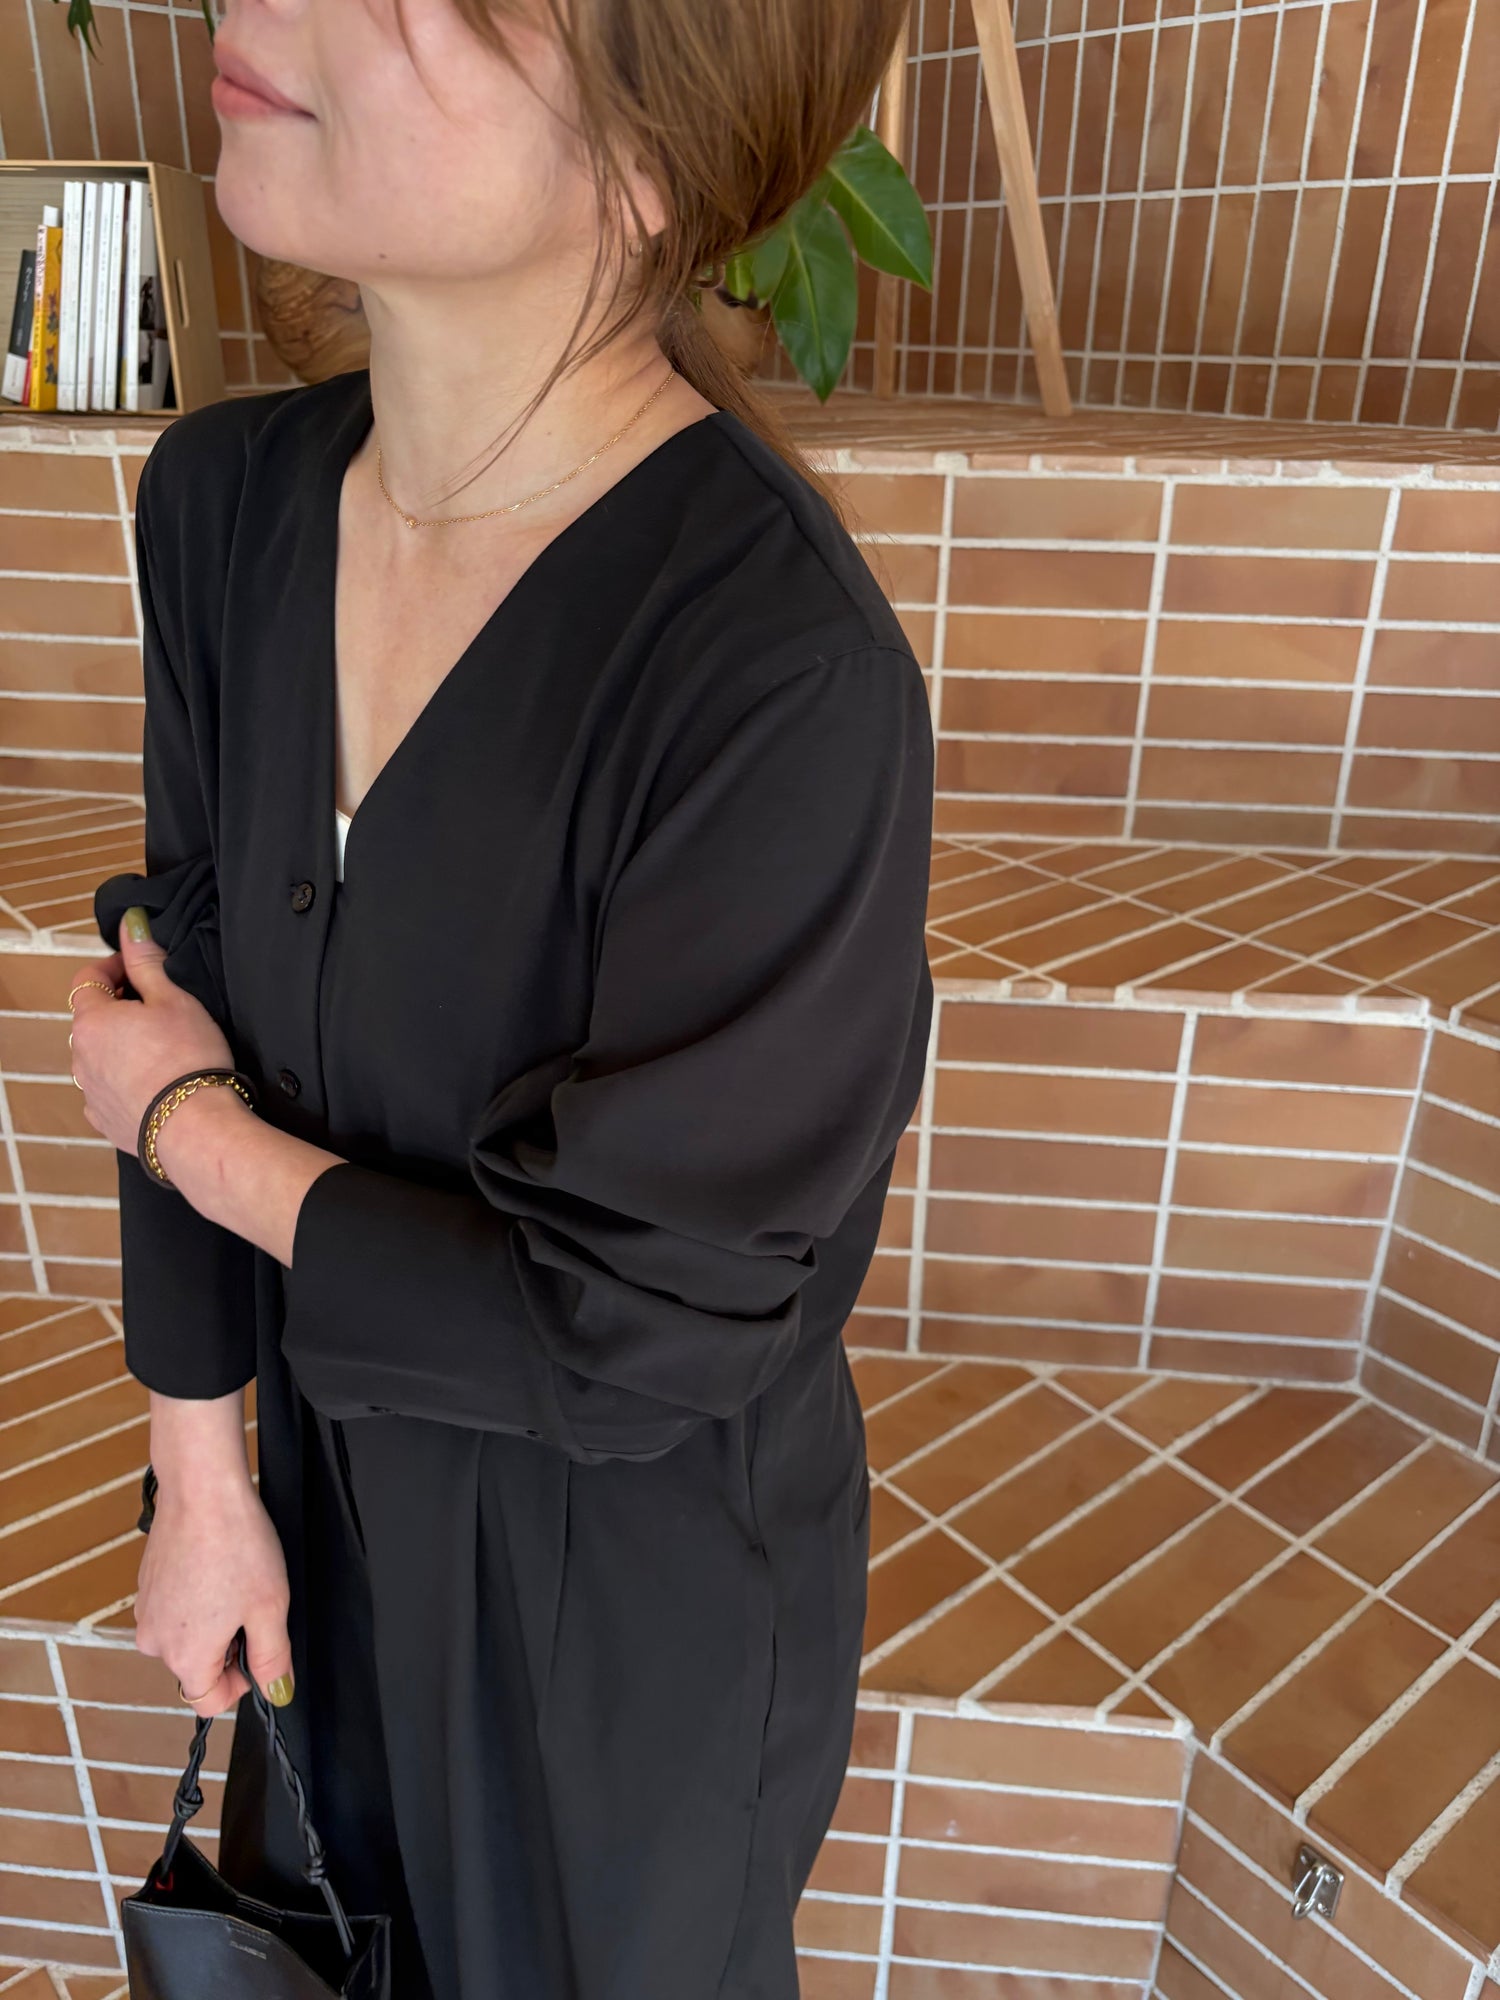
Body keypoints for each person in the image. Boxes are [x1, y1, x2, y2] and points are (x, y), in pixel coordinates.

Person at [69, 0, 933, 1992]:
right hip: (318, 1516)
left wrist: (197, 1139)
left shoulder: (773, 672)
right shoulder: (228, 504)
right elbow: (177, 979)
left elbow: (630, 1332)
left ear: (649, 153)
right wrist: (200, 1478)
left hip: (613, 1612)